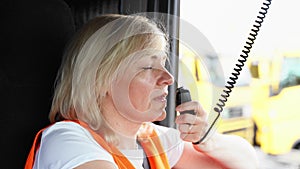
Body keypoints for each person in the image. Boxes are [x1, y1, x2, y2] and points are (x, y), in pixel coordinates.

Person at [25, 14, 258, 169]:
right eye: (148, 67)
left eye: (164, 64)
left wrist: (207, 139)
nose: (168, 78)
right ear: (101, 79)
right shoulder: (67, 141)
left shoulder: (151, 139)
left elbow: (248, 163)